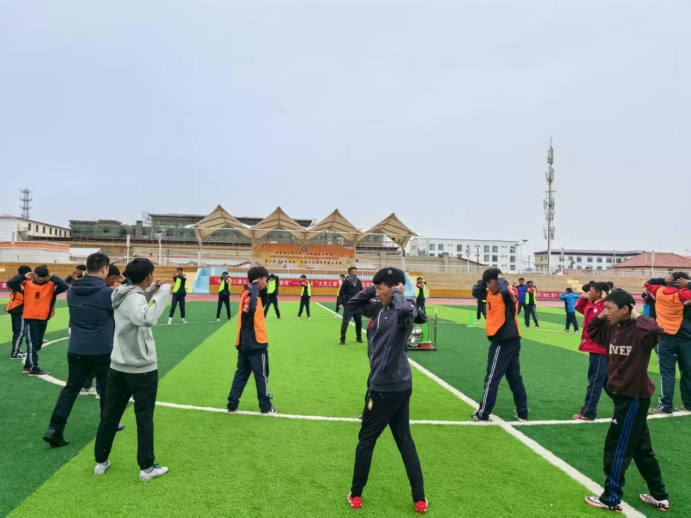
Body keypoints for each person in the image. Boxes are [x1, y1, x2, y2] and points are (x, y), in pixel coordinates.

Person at [345, 267, 428, 514]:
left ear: (394, 289)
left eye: (380, 288)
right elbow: (352, 303)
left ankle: (356, 495)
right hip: (398, 387)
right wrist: (374, 289)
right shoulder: (379, 308)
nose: (377, 293)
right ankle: (419, 499)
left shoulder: (406, 310)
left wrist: (396, 293)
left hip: (385, 389)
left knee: (366, 441)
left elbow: (408, 311)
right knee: (404, 440)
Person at [584, 290, 669, 513]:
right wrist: (604, 314)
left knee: (616, 447)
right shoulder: (612, 328)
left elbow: (656, 329)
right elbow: (592, 329)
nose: (606, 313)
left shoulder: (640, 331)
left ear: (625, 309)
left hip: (633, 398)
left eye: (610, 308)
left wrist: (636, 314)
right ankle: (659, 495)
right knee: (641, 449)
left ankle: (611, 498)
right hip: (621, 396)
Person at [94, 258, 171, 481]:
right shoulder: (133, 297)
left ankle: (101, 461)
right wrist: (162, 294)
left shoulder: (122, 293)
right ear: (148, 275)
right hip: (141, 368)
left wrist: (151, 290)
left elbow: (134, 305)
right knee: (144, 417)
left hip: (118, 366)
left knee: (110, 415)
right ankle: (147, 468)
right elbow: (145, 318)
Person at [43, 253, 125, 447]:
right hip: (102, 348)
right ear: (104, 269)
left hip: (77, 347)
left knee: (71, 387)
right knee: (106, 388)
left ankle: (55, 427)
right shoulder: (108, 293)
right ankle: (108, 423)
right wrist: (125, 281)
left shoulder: (72, 290)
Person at [471, 268, 528, 422]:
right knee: (514, 378)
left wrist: (500, 278)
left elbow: (504, 290)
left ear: (498, 280)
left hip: (503, 341)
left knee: (492, 378)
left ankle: (483, 413)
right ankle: (522, 412)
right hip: (508, 340)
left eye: (490, 282)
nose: (488, 286)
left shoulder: (508, 293)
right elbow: (476, 292)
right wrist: (485, 280)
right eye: (487, 283)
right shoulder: (490, 293)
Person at [227, 266, 276, 414]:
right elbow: (253, 306)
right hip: (256, 343)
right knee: (261, 376)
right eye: (265, 280)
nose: (266, 283)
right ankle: (265, 406)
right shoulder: (251, 294)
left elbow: (262, 302)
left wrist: (260, 288)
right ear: (258, 279)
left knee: (241, 375)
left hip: (244, 342)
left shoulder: (247, 293)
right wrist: (255, 286)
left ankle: (232, 404)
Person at [7, 265, 68, 376]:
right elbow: (10, 283)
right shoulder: (26, 285)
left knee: (37, 345)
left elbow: (64, 286)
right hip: (30, 319)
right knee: (32, 345)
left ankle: (27, 366)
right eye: (39, 276)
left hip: (43, 319)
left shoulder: (51, 286)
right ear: (34, 274)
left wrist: (53, 277)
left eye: (43, 277)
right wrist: (23, 276)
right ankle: (33, 368)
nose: (41, 279)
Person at [644, 273, 691, 414]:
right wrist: (689, 284)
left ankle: (665, 405)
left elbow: (647, 283)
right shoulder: (685, 294)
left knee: (667, 373)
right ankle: (688, 404)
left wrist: (662, 279)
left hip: (665, 338)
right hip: (686, 338)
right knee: (688, 372)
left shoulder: (659, 291)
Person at [573, 282, 610, 421]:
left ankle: (588, 412)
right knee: (606, 382)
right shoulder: (591, 304)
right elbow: (579, 307)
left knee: (595, 381)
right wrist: (583, 298)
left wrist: (605, 300)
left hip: (600, 348)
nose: (588, 293)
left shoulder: (604, 307)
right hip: (593, 347)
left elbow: (610, 309)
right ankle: (625, 404)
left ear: (600, 293)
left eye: (591, 291)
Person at [6, 265, 31, 360]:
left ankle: (17, 350)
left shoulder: (18, 282)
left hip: (15, 308)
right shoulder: (21, 284)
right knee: (20, 332)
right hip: (19, 309)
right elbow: (10, 282)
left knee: (17, 332)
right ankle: (15, 353)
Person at [339, 267, 364, 345]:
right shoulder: (346, 282)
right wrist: (340, 303)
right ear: (349, 273)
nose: (355, 273)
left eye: (356, 272)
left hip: (357, 305)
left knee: (359, 322)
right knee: (345, 322)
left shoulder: (358, 281)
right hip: (348, 306)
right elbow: (341, 293)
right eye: (354, 272)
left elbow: (362, 292)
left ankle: (359, 338)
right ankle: (342, 339)